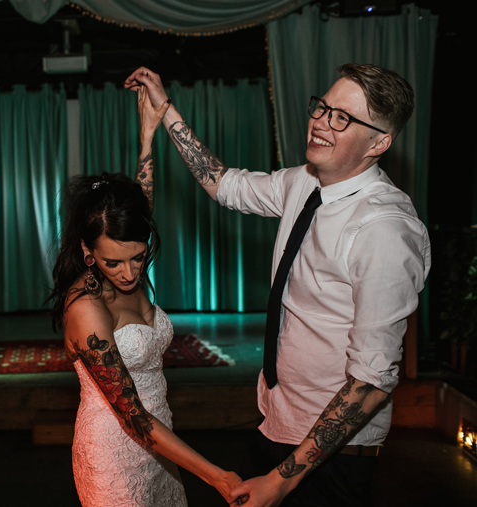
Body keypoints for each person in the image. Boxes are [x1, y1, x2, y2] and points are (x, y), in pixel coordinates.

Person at [125, 64, 431, 506]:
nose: (321, 122)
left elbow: (372, 380)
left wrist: (283, 480)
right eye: (322, 107)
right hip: (277, 424)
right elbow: (223, 184)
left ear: (379, 143)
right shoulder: (302, 182)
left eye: (343, 118)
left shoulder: (384, 229)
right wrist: (165, 108)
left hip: (333, 455)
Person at [50, 87, 241, 506]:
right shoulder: (86, 309)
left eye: (137, 258)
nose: (129, 272)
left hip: (161, 444)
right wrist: (218, 478)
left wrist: (147, 137)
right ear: (88, 251)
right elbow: (131, 414)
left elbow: (141, 200)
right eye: (112, 263)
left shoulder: (126, 248)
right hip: (114, 454)